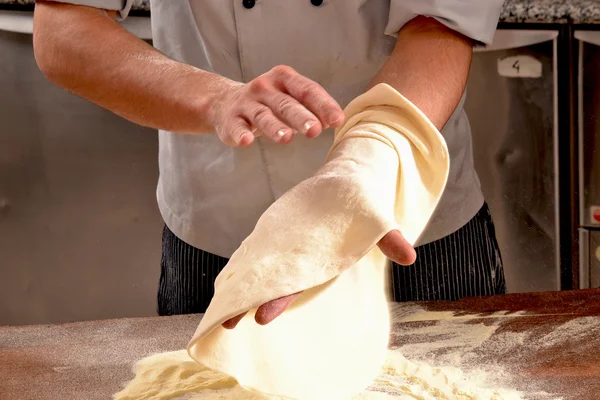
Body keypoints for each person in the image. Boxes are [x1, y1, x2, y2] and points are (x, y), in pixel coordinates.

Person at [33, 0, 507, 328]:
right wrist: (217, 101)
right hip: (220, 233)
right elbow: (65, 28)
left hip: (404, 220)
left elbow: (440, 24)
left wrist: (362, 166)